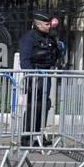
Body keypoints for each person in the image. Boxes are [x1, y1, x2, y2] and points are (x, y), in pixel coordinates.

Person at [18, 12, 65, 148]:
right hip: (35, 76)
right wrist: (32, 76)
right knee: (34, 106)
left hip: (46, 75)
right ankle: (27, 137)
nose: (49, 25)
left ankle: (39, 135)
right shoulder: (29, 38)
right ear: (38, 24)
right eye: (46, 23)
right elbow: (24, 61)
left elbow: (56, 54)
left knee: (45, 105)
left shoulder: (50, 36)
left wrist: (60, 48)